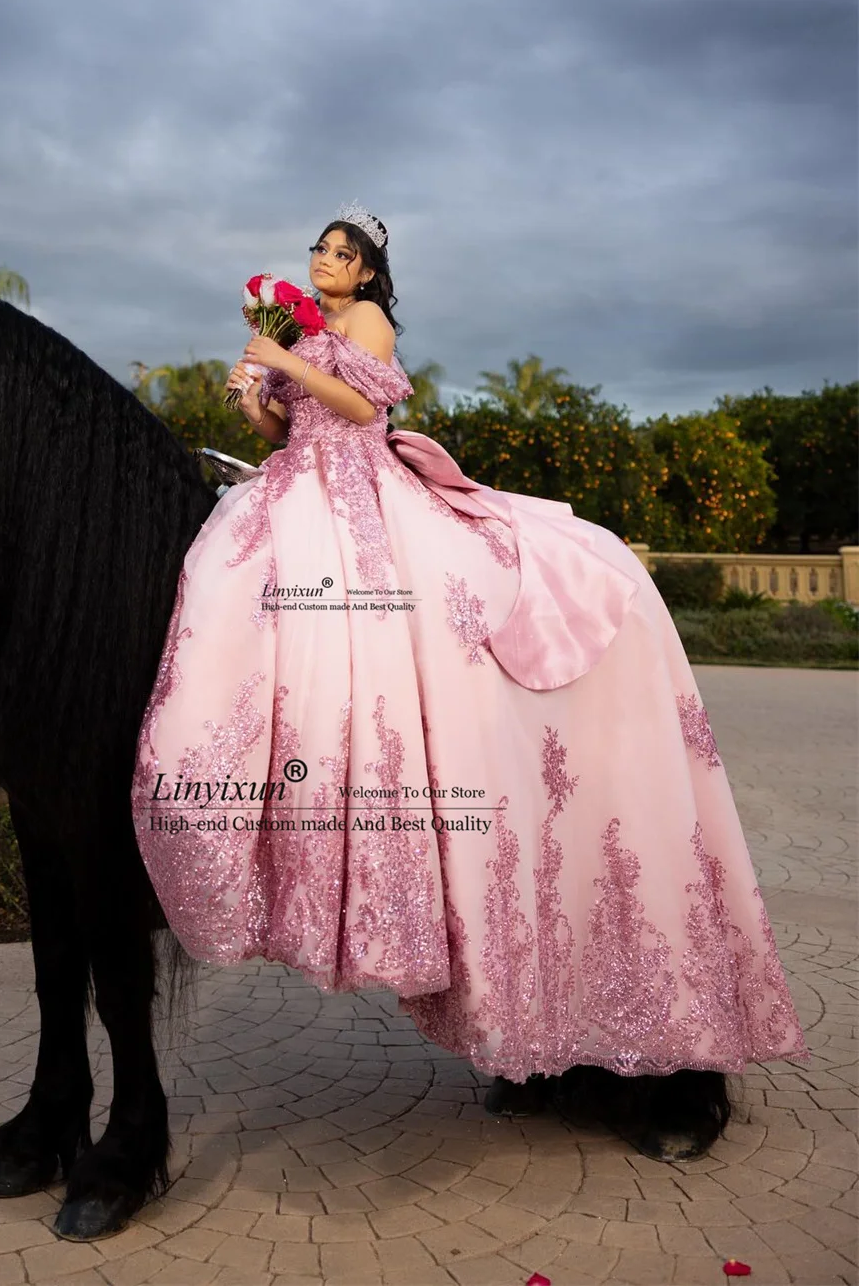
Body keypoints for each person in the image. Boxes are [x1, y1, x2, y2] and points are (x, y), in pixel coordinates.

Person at [130, 204, 808, 1144]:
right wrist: (256, 387)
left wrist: (287, 360)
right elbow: (282, 420)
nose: (324, 262)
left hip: (363, 492)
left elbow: (372, 406)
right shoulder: (305, 333)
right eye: (318, 251)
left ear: (366, 273)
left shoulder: (362, 327)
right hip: (295, 487)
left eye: (341, 254)